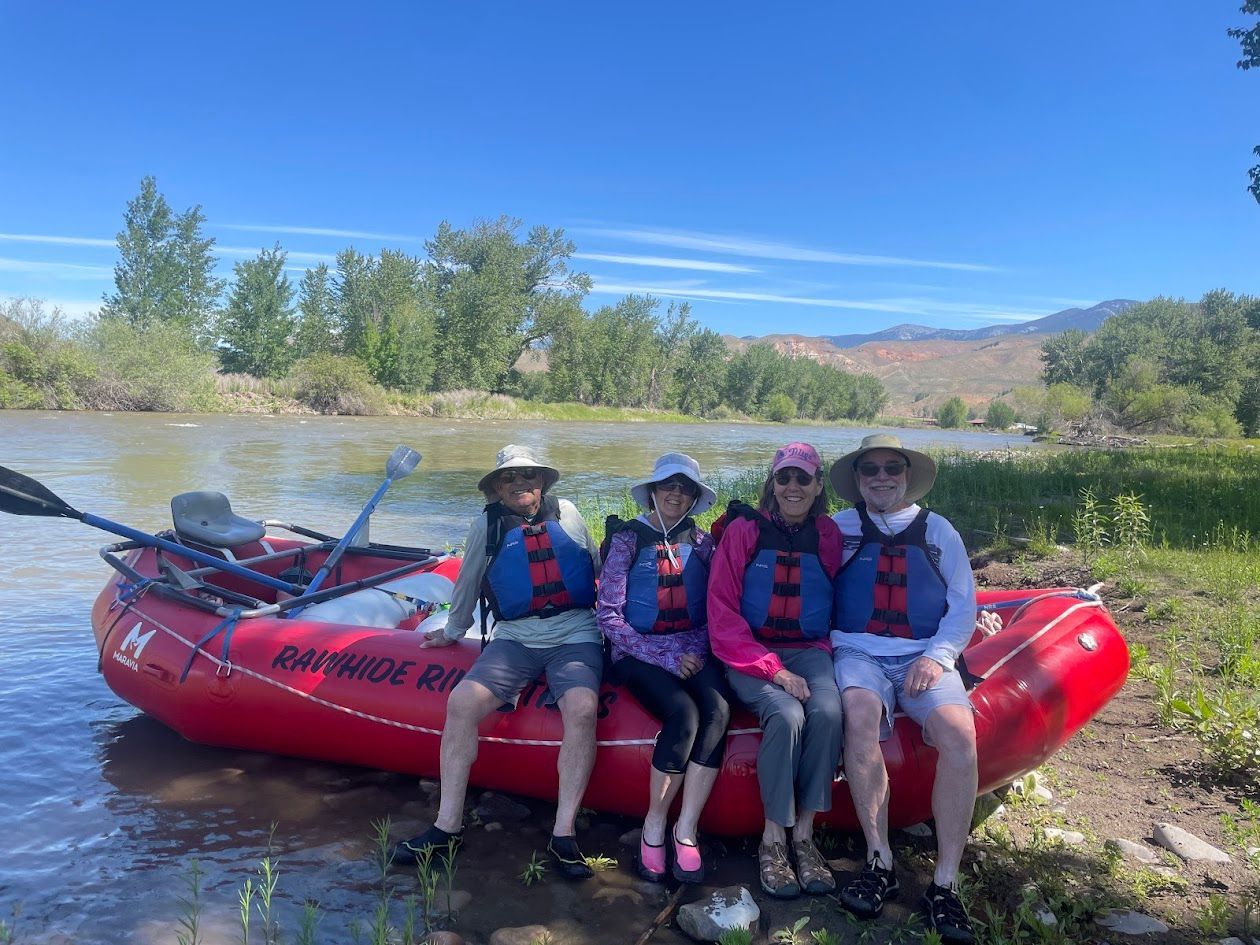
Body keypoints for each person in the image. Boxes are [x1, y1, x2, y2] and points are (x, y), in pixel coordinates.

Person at [394, 445, 603, 880]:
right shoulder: (485, 525)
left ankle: (563, 834)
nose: (521, 483)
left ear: (542, 481)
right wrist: (452, 631)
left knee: (581, 710)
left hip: (575, 633)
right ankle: (447, 825)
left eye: (529, 475)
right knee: (461, 704)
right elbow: (468, 580)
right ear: (497, 488)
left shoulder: (568, 513)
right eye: (510, 478)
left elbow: (595, 567)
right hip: (515, 638)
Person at [828, 434, 980, 943]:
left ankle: (945, 883)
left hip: (923, 654)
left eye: (891, 468)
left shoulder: (941, 532)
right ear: (858, 480)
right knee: (860, 716)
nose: (881, 477)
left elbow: (962, 607)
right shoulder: (838, 529)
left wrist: (937, 658)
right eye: (869, 470)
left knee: (960, 736)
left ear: (907, 475)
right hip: (856, 651)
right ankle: (880, 859)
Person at [707, 442, 844, 900]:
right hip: (749, 650)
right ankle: (772, 839)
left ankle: (804, 836)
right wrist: (775, 671)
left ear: (818, 485)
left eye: (802, 478)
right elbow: (723, 614)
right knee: (785, 714)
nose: (792, 487)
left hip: (808, 648)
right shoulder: (744, 532)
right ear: (772, 484)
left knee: (827, 710)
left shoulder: (828, 536)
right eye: (783, 478)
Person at [597, 453, 731, 884]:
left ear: (694, 498)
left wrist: (698, 649)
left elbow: (717, 603)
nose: (676, 493)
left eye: (685, 488)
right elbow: (609, 617)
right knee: (684, 715)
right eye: (668, 486)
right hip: (639, 652)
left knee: (718, 711)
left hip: (694, 646)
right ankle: (654, 823)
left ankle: (686, 827)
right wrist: (666, 657)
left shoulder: (704, 542)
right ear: (653, 491)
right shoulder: (627, 540)